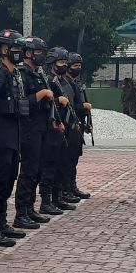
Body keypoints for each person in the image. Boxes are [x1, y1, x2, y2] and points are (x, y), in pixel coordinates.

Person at [0, 30, 29, 247]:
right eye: (15, 48)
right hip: (1, 135)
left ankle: (2, 223)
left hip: (14, 135)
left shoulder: (15, 75)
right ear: (3, 49)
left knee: (9, 181)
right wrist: (7, 108)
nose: (19, 53)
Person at [14, 36, 55, 229]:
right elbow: (21, 102)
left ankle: (30, 209)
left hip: (42, 127)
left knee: (38, 170)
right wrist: (40, 95)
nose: (41, 56)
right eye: (38, 52)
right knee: (28, 171)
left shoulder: (39, 74)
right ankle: (21, 212)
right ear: (28, 53)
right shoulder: (22, 74)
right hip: (29, 128)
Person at [38, 46, 76, 216]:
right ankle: (46, 200)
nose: (64, 65)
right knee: (50, 165)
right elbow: (45, 106)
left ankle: (57, 196)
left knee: (61, 163)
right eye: (61, 62)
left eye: (65, 62)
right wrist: (58, 100)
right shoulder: (49, 81)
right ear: (52, 63)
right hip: (51, 129)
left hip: (64, 128)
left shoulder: (65, 83)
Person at [65, 52, 92, 201]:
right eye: (75, 66)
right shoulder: (65, 84)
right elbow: (69, 107)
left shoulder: (76, 83)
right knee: (68, 161)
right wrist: (82, 106)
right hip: (70, 127)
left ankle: (71, 186)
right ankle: (66, 189)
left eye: (79, 66)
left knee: (74, 159)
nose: (77, 68)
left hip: (78, 126)